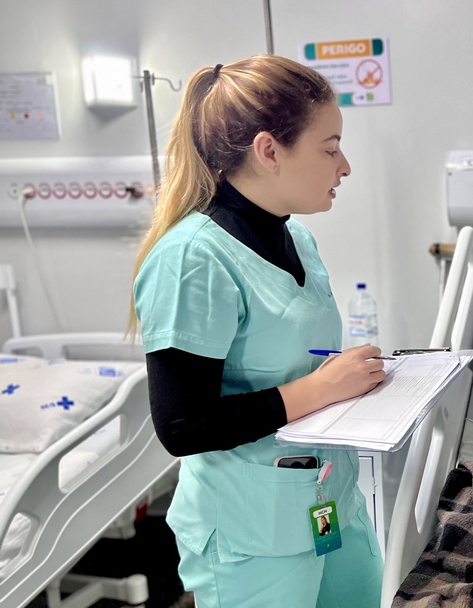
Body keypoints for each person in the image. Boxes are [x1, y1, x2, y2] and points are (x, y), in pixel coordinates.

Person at [130, 55, 384, 608]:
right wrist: (321, 388)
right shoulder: (193, 259)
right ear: (269, 150)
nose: (345, 167)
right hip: (253, 528)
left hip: (324, 499)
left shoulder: (300, 242)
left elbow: (295, 363)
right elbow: (182, 424)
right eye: (329, 147)